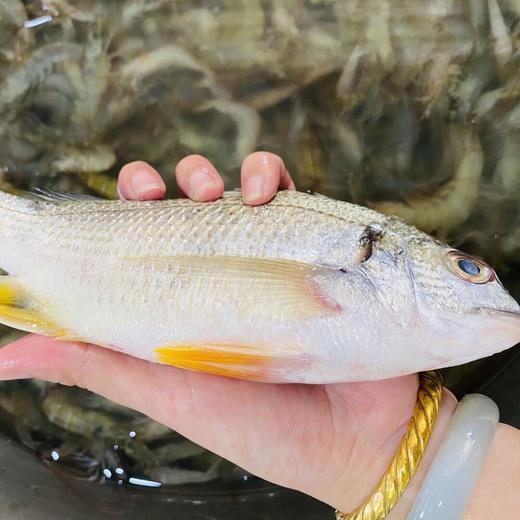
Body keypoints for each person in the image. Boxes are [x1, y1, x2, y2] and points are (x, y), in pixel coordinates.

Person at [0, 152, 518, 519]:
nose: (495, 300)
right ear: (370, 255)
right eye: (467, 270)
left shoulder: (375, 349)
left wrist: (389, 460)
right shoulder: (362, 295)